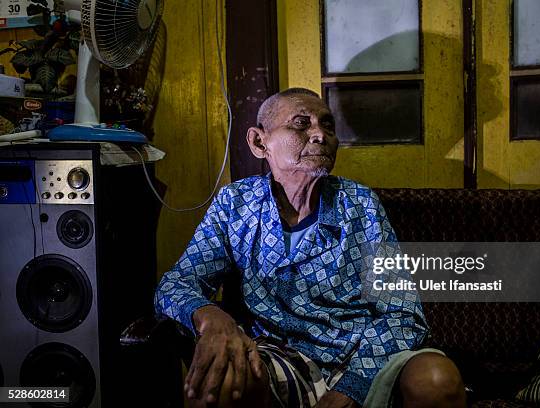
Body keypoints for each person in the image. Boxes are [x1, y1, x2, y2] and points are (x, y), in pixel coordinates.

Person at [154, 88, 466, 408]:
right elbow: (176, 283)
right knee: (220, 380)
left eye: (328, 126)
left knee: (435, 380)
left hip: (366, 355)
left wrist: (352, 387)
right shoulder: (235, 204)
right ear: (260, 142)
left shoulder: (358, 203)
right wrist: (211, 317)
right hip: (284, 359)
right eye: (301, 123)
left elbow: (400, 312)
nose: (320, 134)